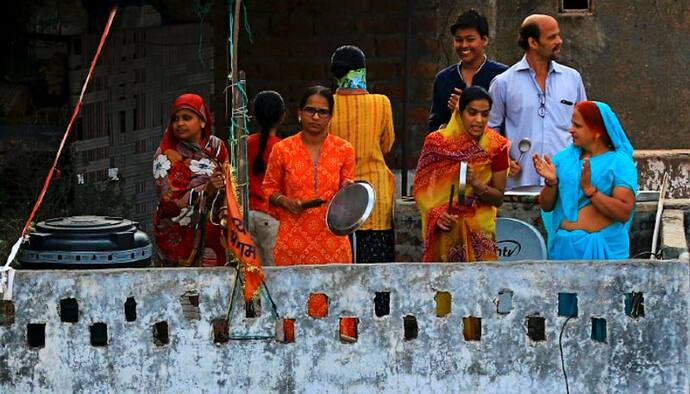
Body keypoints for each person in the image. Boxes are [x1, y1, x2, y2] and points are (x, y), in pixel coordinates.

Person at [488, 14, 587, 190]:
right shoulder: (503, 82)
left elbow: (585, 126)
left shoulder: (572, 78)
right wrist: (504, 161)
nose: (560, 41)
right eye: (552, 37)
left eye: (558, 35)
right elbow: (490, 131)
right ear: (533, 43)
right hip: (520, 184)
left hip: (565, 183)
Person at [414, 87, 509, 262]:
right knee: (445, 286)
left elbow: (498, 198)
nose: (479, 120)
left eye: (485, 114)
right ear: (460, 112)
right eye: (472, 113)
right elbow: (420, 189)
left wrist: (476, 183)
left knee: (481, 286)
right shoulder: (436, 143)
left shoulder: (497, 146)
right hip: (446, 229)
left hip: (481, 230)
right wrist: (437, 214)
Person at [263, 85, 355, 266]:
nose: (315, 117)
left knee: (333, 293)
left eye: (323, 112)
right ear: (299, 113)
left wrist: (349, 190)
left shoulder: (344, 149)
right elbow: (268, 188)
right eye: (310, 110)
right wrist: (285, 201)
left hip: (333, 243)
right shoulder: (282, 149)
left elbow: (347, 189)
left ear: (331, 116)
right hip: (292, 242)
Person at [534, 101, 637, 260]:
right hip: (563, 250)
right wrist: (551, 183)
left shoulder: (619, 162)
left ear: (597, 131)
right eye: (572, 124)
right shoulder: (564, 159)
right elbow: (547, 206)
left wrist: (590, 190)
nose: (571, 130)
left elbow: (623, 211)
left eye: (578, 126)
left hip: (602, 250)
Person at [328, 45, 396, 263]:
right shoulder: (381, 103)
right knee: (376, 269)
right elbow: (387, 145)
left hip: (338, 196)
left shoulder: (326, 106)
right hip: (375, 196)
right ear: (362, 71)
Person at [152, 93, 230, 267]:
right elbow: (168, 201)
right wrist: (206, 190)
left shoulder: (216, 147)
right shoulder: (165, 156)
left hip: (215, 230)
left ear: (202, 121)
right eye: (176, 119)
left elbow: (230, 182)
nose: (180, 124)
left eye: (187, 118)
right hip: (179, 235)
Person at [428, 9, 507, 132]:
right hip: (452, 149)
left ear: (484, 40)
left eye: (470, 39)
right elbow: (434, 126)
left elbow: (507, 124)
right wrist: (452, 122)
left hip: (492, 149)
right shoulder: (444, 79)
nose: (464, 45)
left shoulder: (502, 76)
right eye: (458, 40)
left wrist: (465, 109)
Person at [247, 91, 285, 266]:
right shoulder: (282, 147)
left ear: (254, 116)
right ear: (282, 117)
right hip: (271, 216)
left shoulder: (244, 144)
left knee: (250, 273)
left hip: (246, 216)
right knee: (274, 276)